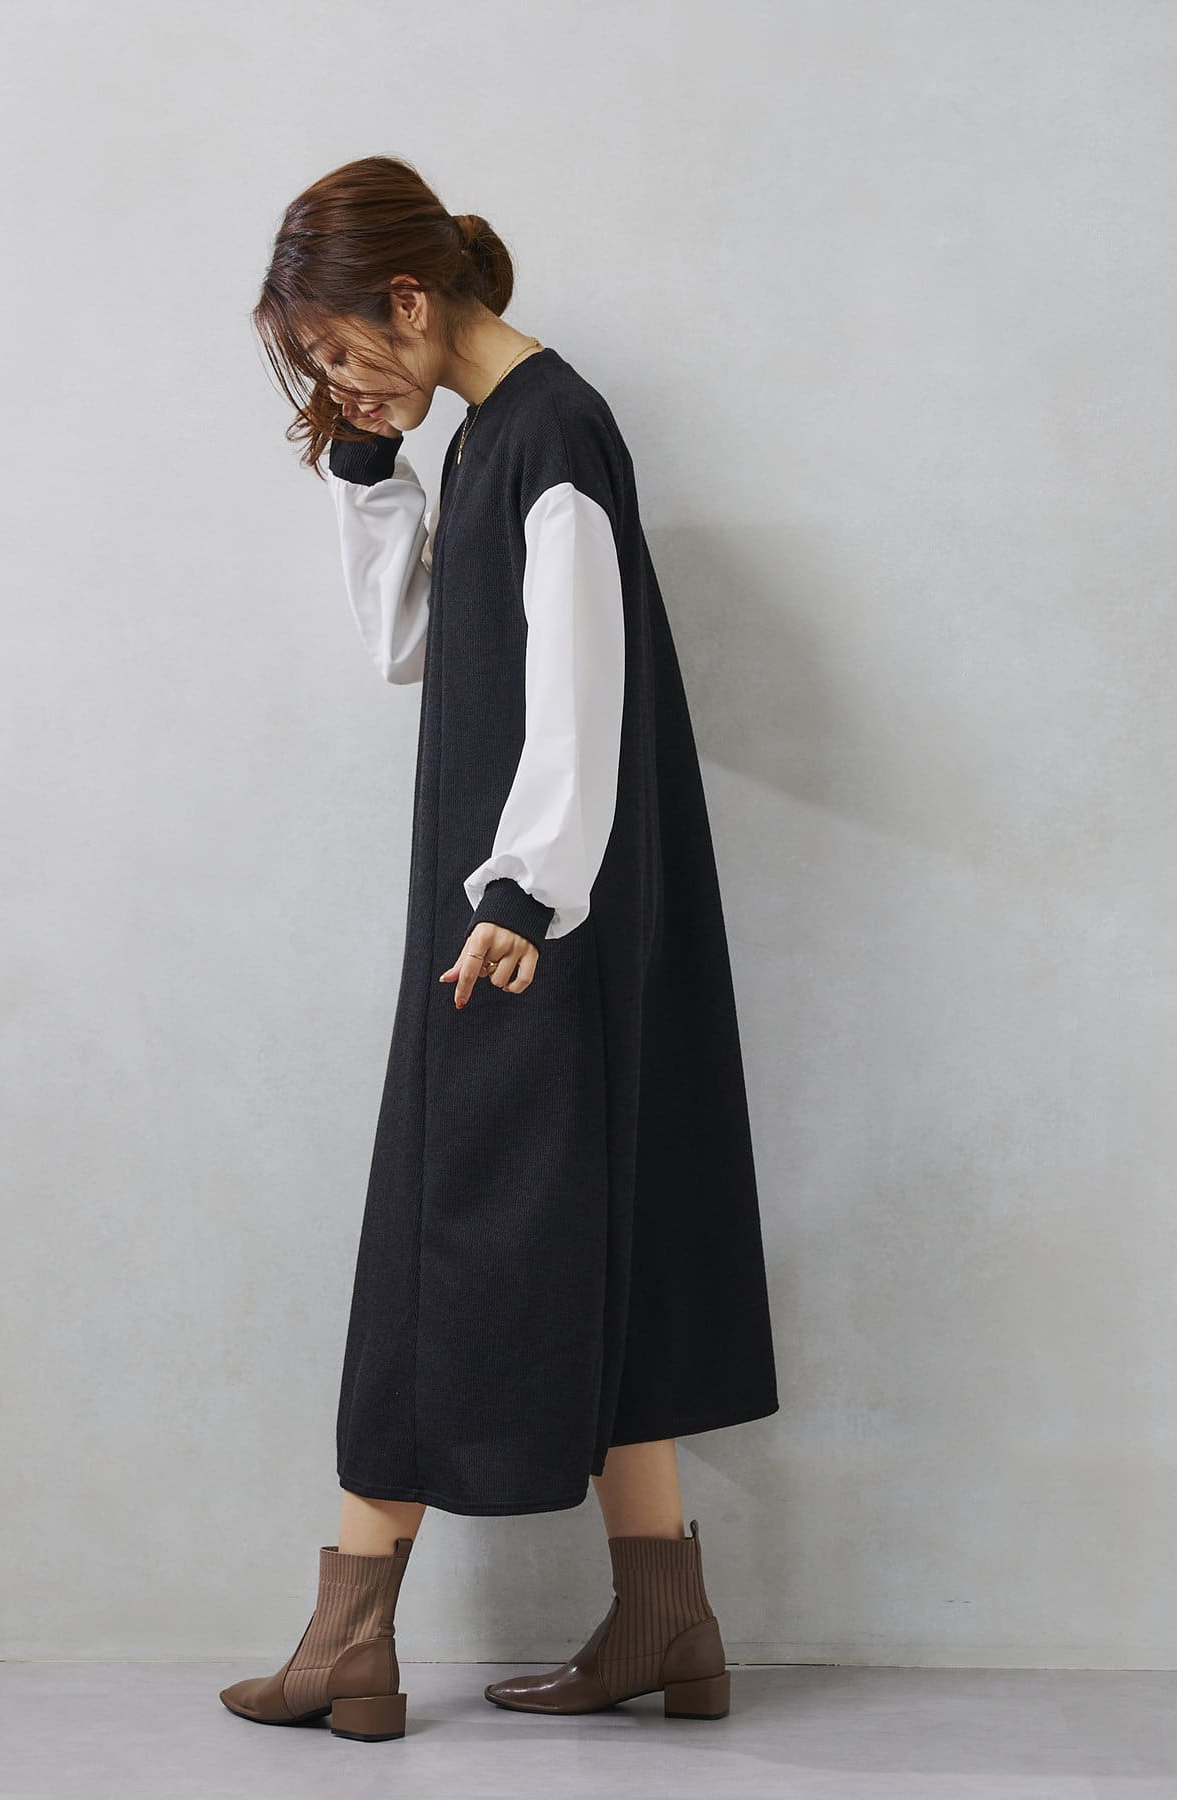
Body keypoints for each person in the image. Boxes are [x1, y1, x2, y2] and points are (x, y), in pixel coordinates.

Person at [221, 155, 780, 1744]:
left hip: (530, 918)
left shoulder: (554, 432)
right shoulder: (488, 440)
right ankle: (667, 1618)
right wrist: (364, 464)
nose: (335, 378)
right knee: (613, 1230)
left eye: (337, 347)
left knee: (443, 1234)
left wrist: (526, 893)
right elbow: (414, 645)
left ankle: (350, 1636)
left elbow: (585, 680)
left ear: (408, 295)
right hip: (538, 907)